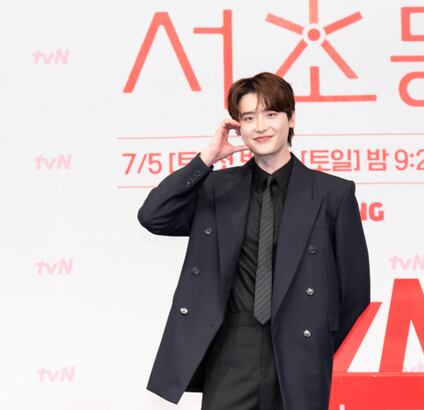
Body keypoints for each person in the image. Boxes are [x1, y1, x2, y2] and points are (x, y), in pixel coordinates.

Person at [137, 72, 370, 410]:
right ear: (238, 127)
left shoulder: (332, 194)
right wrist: (207, 158)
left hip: (299, 353)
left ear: (291, 119)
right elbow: (154, 216)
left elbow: (355, 290)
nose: (260, 126)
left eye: (270, 114)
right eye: (248, 118)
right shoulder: (217, 189)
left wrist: (316, 342)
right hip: (232, 350)